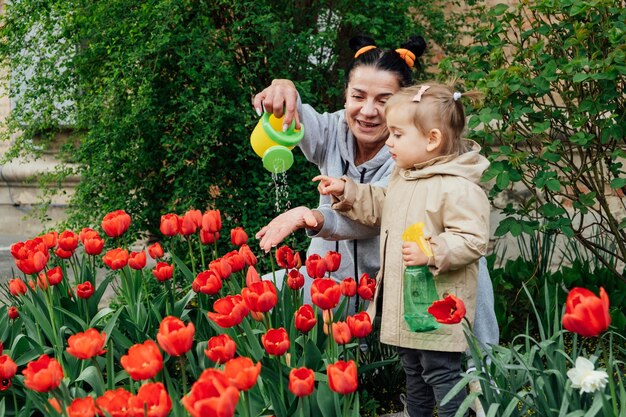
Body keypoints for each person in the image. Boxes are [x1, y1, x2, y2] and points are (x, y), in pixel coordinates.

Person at [252, 35, 498, 351]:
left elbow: (379, 213)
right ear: (345, 97)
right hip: (333, 280)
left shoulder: (412, 154)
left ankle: (484, 368)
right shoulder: (331, 131)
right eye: (358, 96)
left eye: (383, 100)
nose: (368, 111)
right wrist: (284, 88)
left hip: (394, 283)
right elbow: (294, 114)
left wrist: (312, 216)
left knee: (468, 269)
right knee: (254, 295)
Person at [315, 82, 490, 417]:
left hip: (439, 308)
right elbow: (382, 205)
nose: (389, 142)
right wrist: (347, 192)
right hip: (408, 304)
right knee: (413, 371)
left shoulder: (457, 186)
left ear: (432, 139)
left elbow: (472, 239)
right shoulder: (405, 176)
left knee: (442, 374)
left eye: (396, 134)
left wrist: (433, 251)